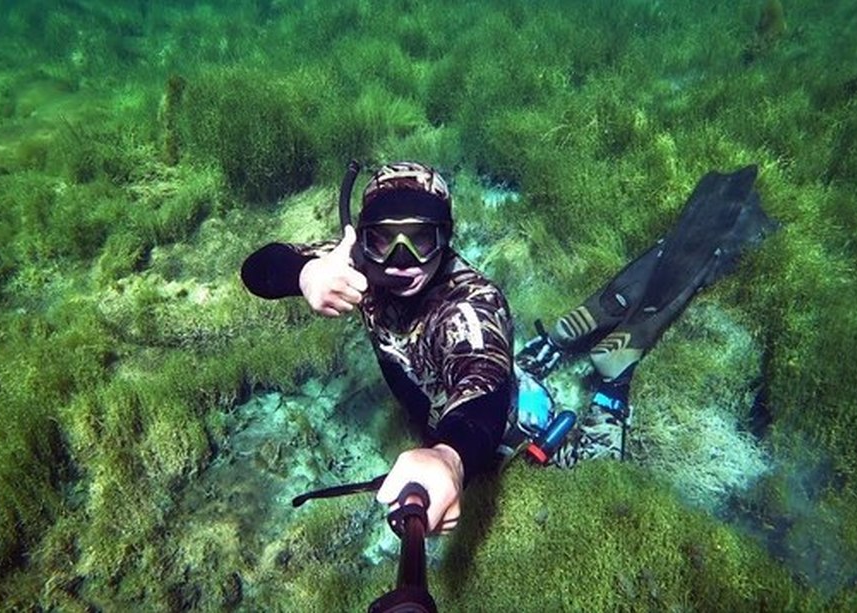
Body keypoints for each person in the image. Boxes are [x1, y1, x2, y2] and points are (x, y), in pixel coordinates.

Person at [241, 161, 775, 533]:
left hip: (495, 419)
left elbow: (481, 391)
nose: (402, 259)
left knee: (586, 472)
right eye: (385, 239)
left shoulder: (471, 306)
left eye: (421, 239)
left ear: (446, 239)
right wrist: (307, 272)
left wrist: (449, 458)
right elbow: (258, 269)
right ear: (361, 239)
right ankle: (558, 348)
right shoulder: (352, 261)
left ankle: (612, 387)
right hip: (437, 396)